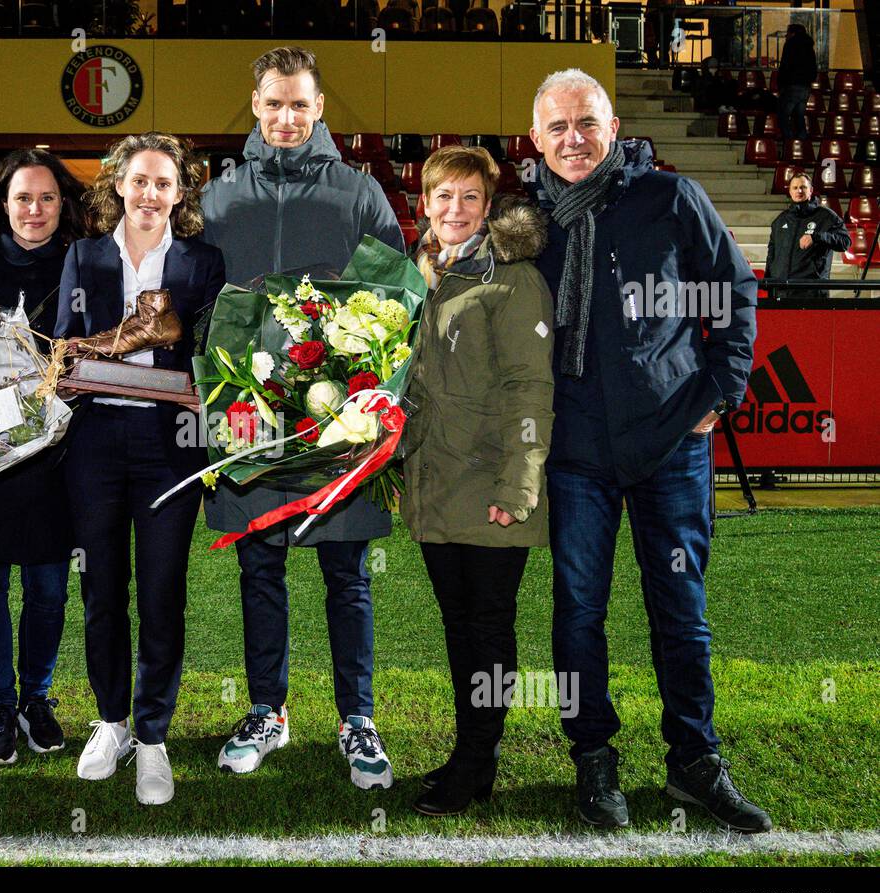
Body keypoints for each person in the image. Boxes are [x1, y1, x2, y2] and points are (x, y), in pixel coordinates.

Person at [527, 69, 772, 832]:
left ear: (612, 127)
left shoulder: (670, 198)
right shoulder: (525, 223)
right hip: (573, 453)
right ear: (535, 139)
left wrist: (720, 393)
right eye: (558, 127)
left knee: (682, 610)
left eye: (587, 123)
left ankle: (695, 761)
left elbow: (734, 292)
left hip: (669, 444)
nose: (574, 139)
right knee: (578, 613)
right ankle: (593, 758)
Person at [199, 46, 405, 790]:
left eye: (300, 105)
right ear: (254, 105)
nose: (286, 118)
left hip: (336, 420)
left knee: (345, 571)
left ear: (320, 109)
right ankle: (267, 709)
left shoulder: (359, 193)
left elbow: (395, 304)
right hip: (250, 417)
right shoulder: (219, 197)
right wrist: (222, 395)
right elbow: (200, 306)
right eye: (273, 103)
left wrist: (363, 396)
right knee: (261, 565)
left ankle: (358, 718)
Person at [54, 132, 225, 805]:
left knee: (160, 592)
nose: (150, 194)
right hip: (95, 442)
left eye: (163, 183)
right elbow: (68, 355)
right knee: (100, 588)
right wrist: (108, 352)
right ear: (118, 184)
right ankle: (111, 720)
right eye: (139, 180)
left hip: (169, 443)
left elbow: (208, 351)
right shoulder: (83, 255)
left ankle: (152, 733)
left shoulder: (203, 261)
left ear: (180, 192)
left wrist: (164, 350)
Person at [400, 147, 554, 817]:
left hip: (491, 483)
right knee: (460, 628)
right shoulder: (420, 277)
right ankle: (471, 751)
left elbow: (530, 387)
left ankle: (477, 758)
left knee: (487, 628)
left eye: (469, 198)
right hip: (436, 480)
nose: (455, 210)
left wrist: (519, 485)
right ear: (425, 205)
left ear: (488, 207)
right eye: (443, 197)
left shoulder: (515, 281)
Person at [0, 149, 86, 763]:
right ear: (2, 203)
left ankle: (37, 700)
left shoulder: (85, 264)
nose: (35, 209)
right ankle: (0, 707)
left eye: (48, 198)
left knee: (50, 586)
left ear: (64, 204)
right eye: (23, 198)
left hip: (56, 457)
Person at [765, 172, 850, 299]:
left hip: (811, 292)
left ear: (811, 190)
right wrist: (768, 283)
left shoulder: (826, 216)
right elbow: (771, 255)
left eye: (803, 187)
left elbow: (845, 242)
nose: (799, 191)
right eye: (795, 188)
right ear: (790, 191)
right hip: (781, 291)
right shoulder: (780, 220)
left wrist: (817, 237)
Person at [777, 23, 817, 148]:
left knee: (783, 113)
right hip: (805, 85)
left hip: (792, 84)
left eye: (787, 33)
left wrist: (781, 84)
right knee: (799, 114)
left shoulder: (790, 45)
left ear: (793, 33)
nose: (786, 36)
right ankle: (802, 139)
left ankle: (789, 140)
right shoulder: (809, 46)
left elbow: (785, 66)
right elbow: (813, 67)